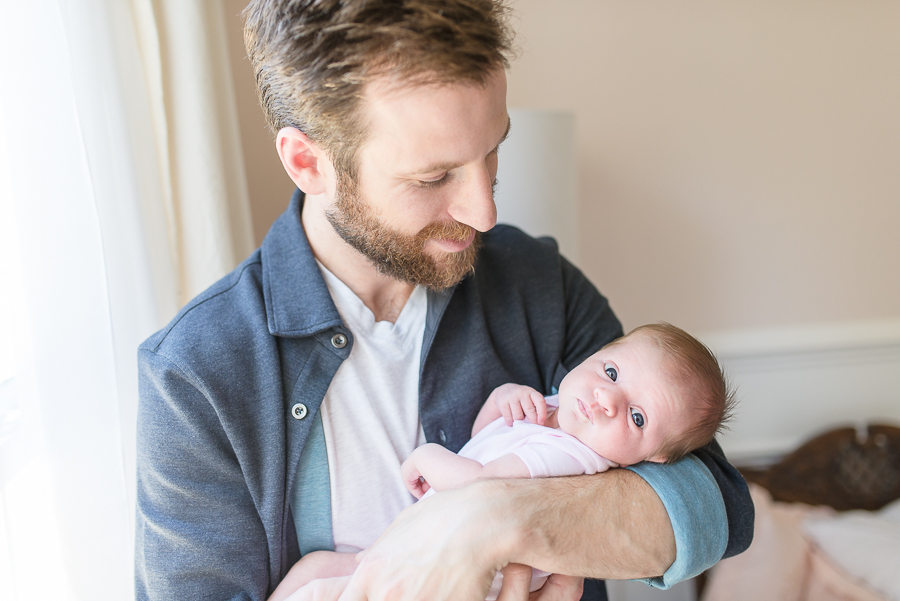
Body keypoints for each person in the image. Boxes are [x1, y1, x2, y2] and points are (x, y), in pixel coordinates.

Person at [134, 2, 754, 601]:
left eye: (493, 154)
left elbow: (711, 505)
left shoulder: (538, 285)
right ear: (308, 162)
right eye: (433, 178)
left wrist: (485, 520)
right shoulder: (196, 372)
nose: (484, 214)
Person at [268, 323, 736, 601]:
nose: (607, 399)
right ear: (596, 355)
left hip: (467, 583)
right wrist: (501, 401)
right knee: (312, 572)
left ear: (654, 458)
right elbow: (484, 441)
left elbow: (481, 483)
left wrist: (428, 456)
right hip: (410, 553)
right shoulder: (557, 411)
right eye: (611, 372)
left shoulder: (568, 455)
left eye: (637, 416)